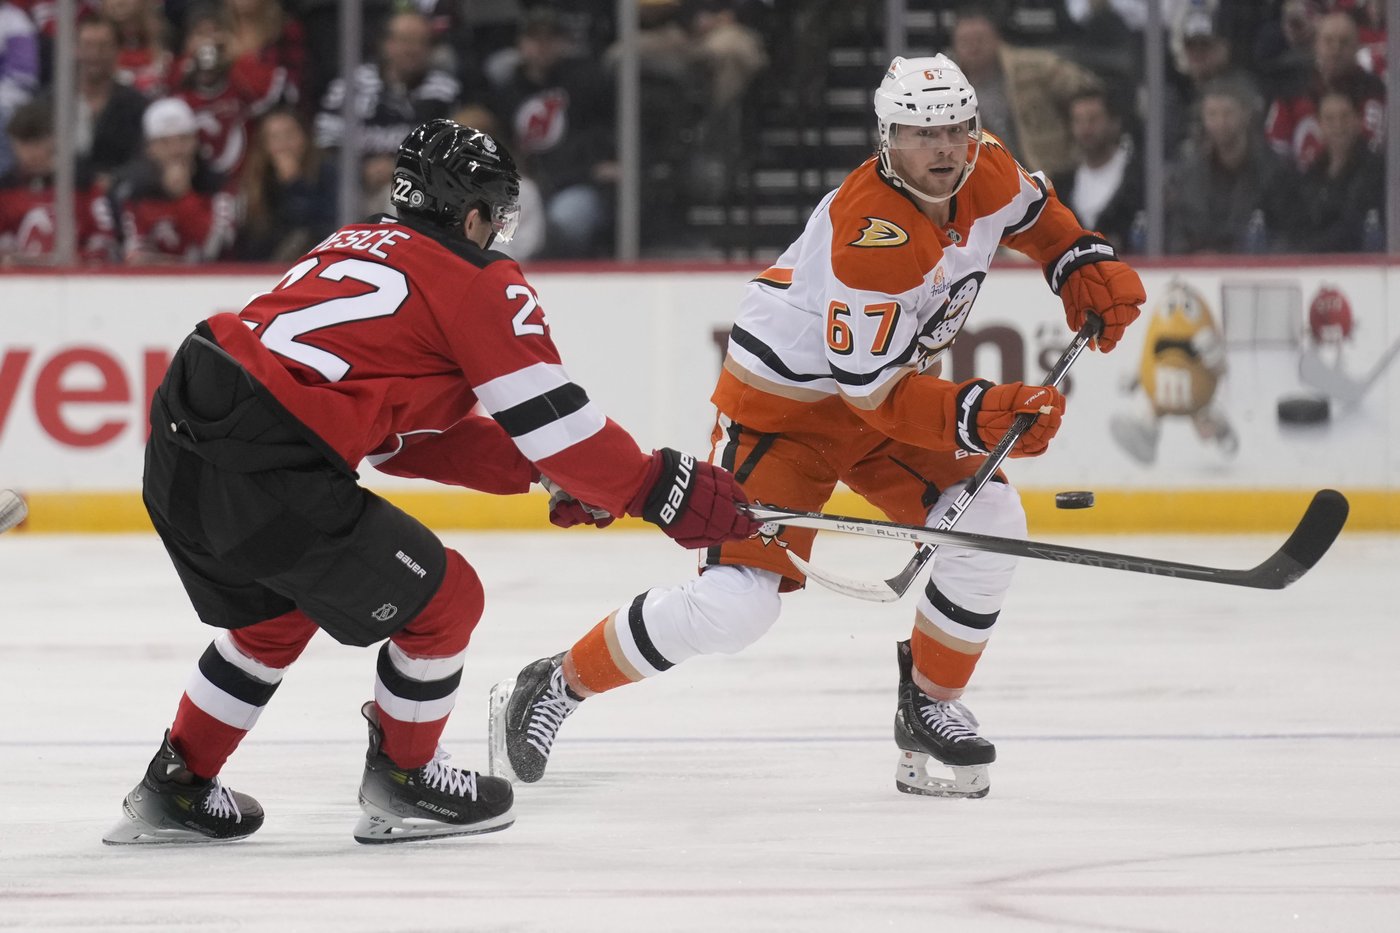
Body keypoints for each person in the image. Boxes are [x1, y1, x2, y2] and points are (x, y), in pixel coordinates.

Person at [488, 54, 1144, 801]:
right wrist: (978, 413)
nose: (944, 148)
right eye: (921, 133)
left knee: (993, 516)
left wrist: (1075, 259)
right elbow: (873, 393)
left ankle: (930, 702)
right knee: (738, 606)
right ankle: (555, 683)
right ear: (885, 140)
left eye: (957, 129)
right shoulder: (873, 236)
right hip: (785, 414)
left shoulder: (984, 166)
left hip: (881, 397)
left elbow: (1033, 215)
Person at [101, 118, 759, 846]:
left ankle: (178, 783)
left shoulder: (347, 242)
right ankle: (406, 779)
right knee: (446, 600)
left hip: (180, 440)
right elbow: (559, 424)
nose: (498, 232)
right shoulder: (476, 280)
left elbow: (401, 445)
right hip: (269, 459)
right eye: (495, 215)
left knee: (273, 616)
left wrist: (542, 474)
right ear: (472, 213)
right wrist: (657, 487)